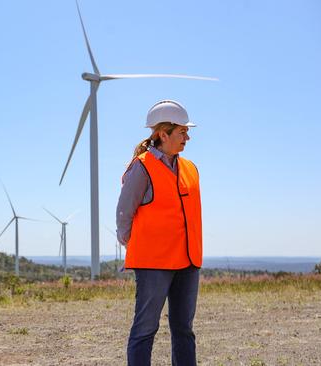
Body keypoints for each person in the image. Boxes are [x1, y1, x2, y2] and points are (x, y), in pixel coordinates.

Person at [116, 100, 203, 366]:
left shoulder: (190, 167)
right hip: (153, 263)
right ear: (163, 134)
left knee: (184, 330)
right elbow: (124, 213)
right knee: (145, 331)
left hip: (187, 262)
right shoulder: (141, 167)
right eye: (182, 132)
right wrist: (137, 243)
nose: (187, 137)